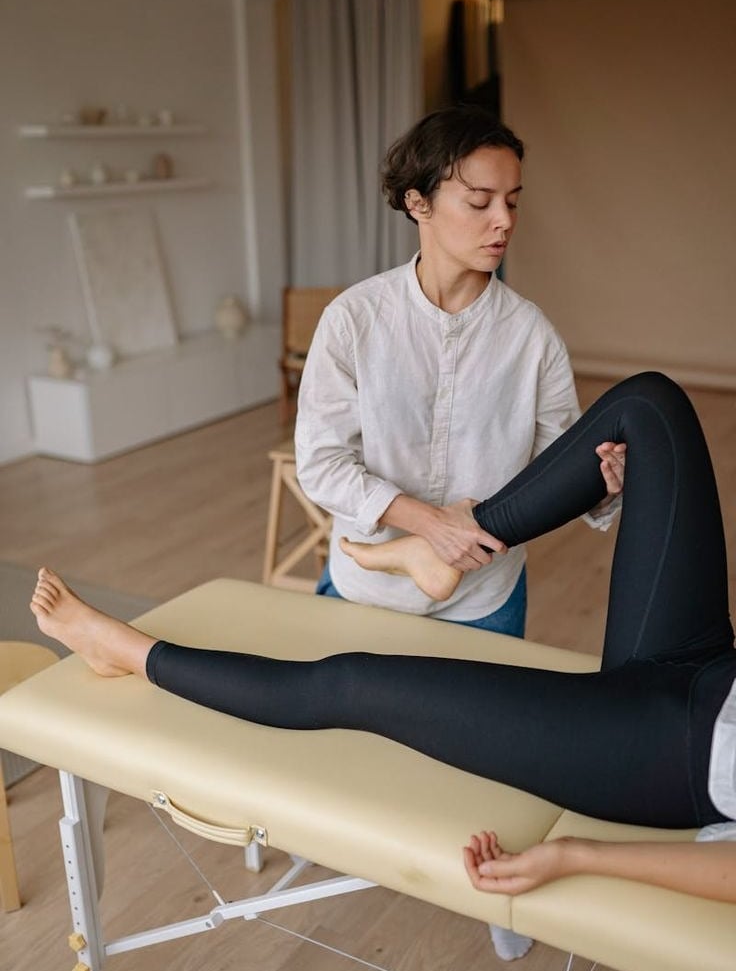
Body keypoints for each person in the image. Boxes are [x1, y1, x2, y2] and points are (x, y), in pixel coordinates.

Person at [30, 373, 736, 905]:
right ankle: (448, 546)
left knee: (353, 682)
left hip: (669, 750)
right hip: (709, 664)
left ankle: (123, 651)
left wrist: (576, 854)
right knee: (651, 406)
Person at [295, 103, 625, 640]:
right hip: (365, 592)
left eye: (512, 202)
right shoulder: (353, 319)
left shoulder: (532, 336)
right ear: (417, 202)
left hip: (484, 600)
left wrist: (603, 486)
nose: (504, 220)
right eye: (479, 201)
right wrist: (430, 525)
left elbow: (557, 465)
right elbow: (322, 464)